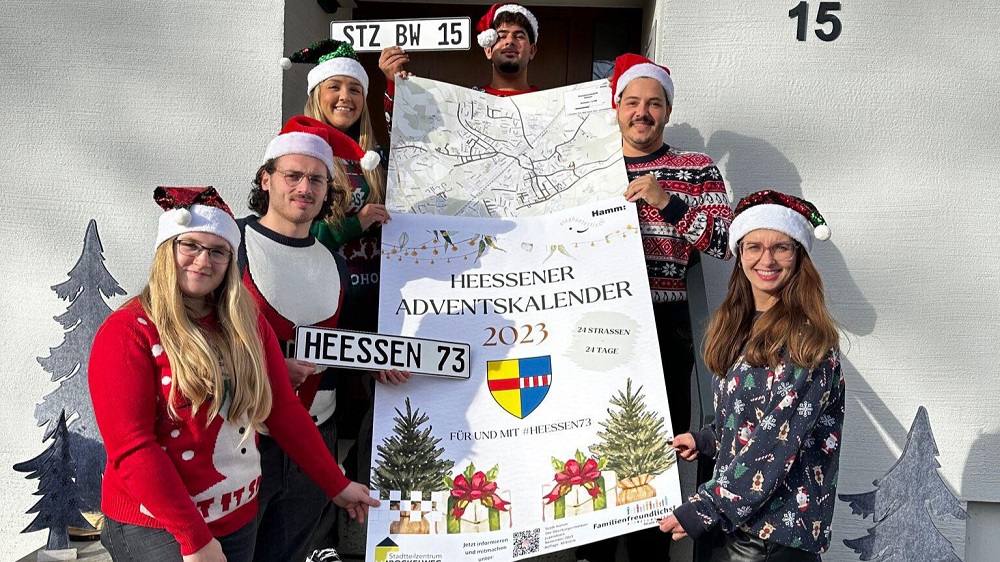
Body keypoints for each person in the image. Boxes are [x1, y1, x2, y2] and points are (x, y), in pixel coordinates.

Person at [89, 186, 377, 562]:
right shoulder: (129, 332)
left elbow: (284, 410)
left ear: (231, 261)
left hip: (238, 517)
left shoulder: (246, 323)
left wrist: (335, 484)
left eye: (218, 251)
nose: (202, 260)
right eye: (189, 245)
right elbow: (133, 450)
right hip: (158, 528)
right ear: (166, 251)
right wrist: (195, 539)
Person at [577, 52, 734, 562]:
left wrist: (668, 202)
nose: (642, 112)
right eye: (632, 102)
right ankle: (591, 548)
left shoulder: (694, 168)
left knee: (654, 451)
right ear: (615, 107)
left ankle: (650, 551)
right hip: (589, 321)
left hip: (665, 326)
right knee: (591, 441)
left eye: (654, 103)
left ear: (667, 111)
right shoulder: (587, 166)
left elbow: (723, 241)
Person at [661, 190, 845, 561]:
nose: (767, 259)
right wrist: (707, 440)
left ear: (799, 257)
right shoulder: (742, 326)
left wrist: (705, 507)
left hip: (772, 539)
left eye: (781, 247)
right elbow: (752, 416)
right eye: (754, 247)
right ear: (740, 255)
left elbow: (774, 441)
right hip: (735, 525)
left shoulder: (806, 343)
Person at [240, 116, 384, 562]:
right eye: (293, 175)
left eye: (316, 179)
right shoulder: (232, 246)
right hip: (243, 440)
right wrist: (265, 368)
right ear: (267, 180)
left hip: (315, 439)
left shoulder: (335, 262)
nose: (304, 187)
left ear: (327, 190)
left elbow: (338, 345)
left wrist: (376, 359)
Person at [379, 2, 541, 131]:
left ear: (532, 51)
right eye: (501, 36)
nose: (509, 41)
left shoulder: (550, 106)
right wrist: (396, 85)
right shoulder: (461, 105)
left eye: (519, 36)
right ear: (488, 49)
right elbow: (412, 138)